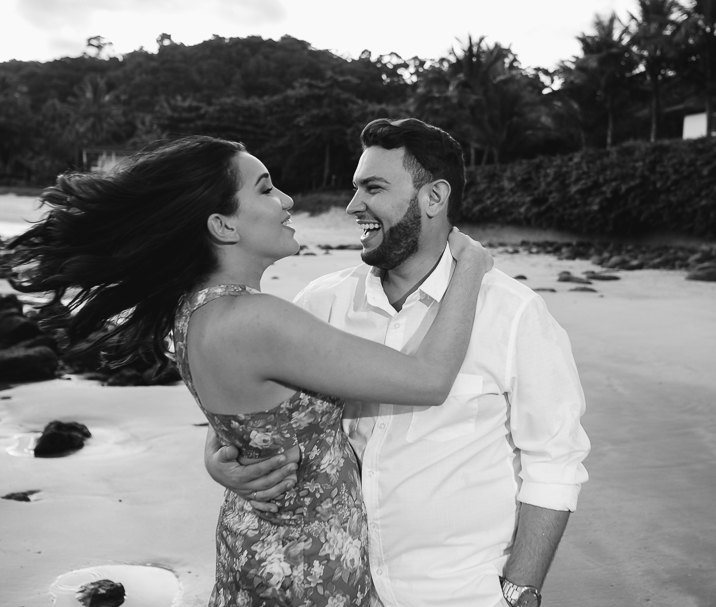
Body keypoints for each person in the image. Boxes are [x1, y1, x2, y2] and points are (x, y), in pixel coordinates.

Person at [7, 135, 493, 606]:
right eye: (264, 188)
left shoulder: (195, 311)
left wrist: (217, 455)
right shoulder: (257, 320)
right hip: (308, 563)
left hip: (257, 541)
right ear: (223, 226)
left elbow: (247, 415)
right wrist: (470, 265)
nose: (286, 200)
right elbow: (427, 380)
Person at [205, 118, 591, 607]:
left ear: (434, 198)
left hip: (457, 594)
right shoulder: (321, 303)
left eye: (373, 187)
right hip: (334, 587)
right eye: (354, 188)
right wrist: (217, 462)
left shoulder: (513, 313)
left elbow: (554, 461)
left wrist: (520, 591)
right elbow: (249, 415)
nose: (352, 206)